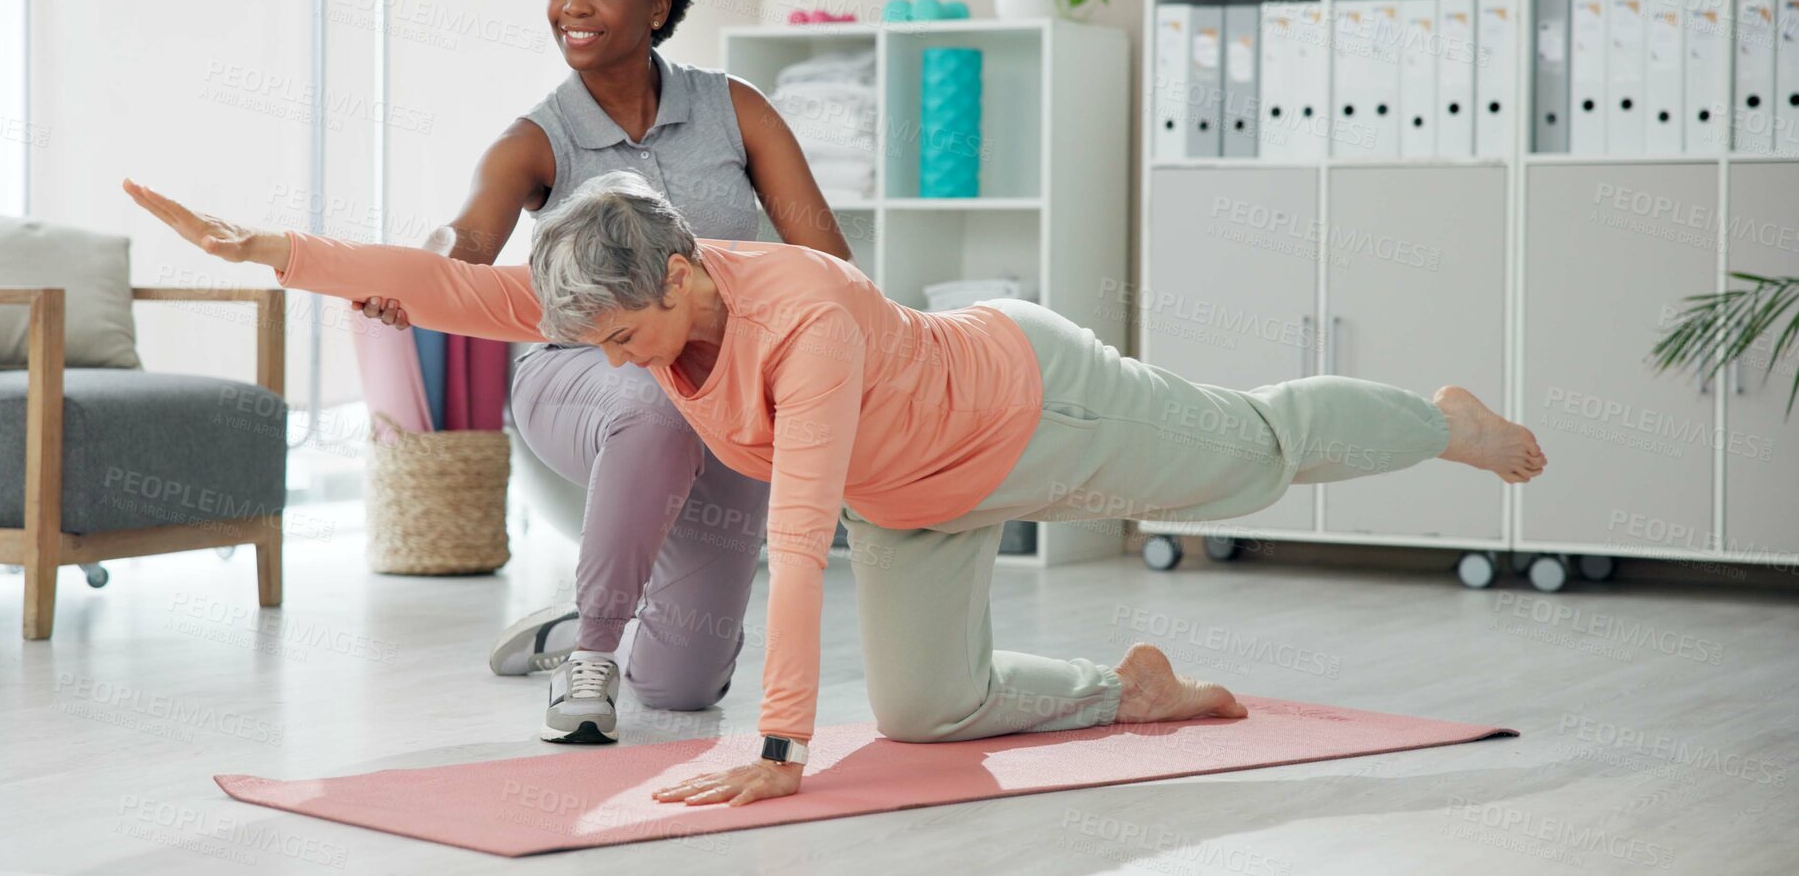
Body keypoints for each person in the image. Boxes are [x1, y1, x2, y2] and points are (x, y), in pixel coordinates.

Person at [121, 171, 1546, 809]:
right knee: (931, 712)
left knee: (1243, 451)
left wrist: (783, 744)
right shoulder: (625, 286)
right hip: (919, 491)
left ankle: (1433, 417)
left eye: (619, 337)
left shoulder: (795, 317)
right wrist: (267, 246)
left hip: (1034, 408)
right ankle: (1134, 689)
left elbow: (797, 543)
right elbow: (459, 289)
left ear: (678, 274)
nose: (614, 362)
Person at [354, 0, 854, 745]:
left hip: (722, 398)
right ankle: (590, 653)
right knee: (651, 405)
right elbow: (468, 238)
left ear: (659, 6)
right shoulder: (536, 139)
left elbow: (829, 263)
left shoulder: (736, 111)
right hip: (585, 376)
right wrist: (421, 271)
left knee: (683, 689)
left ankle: (570, 625)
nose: (573, 6)